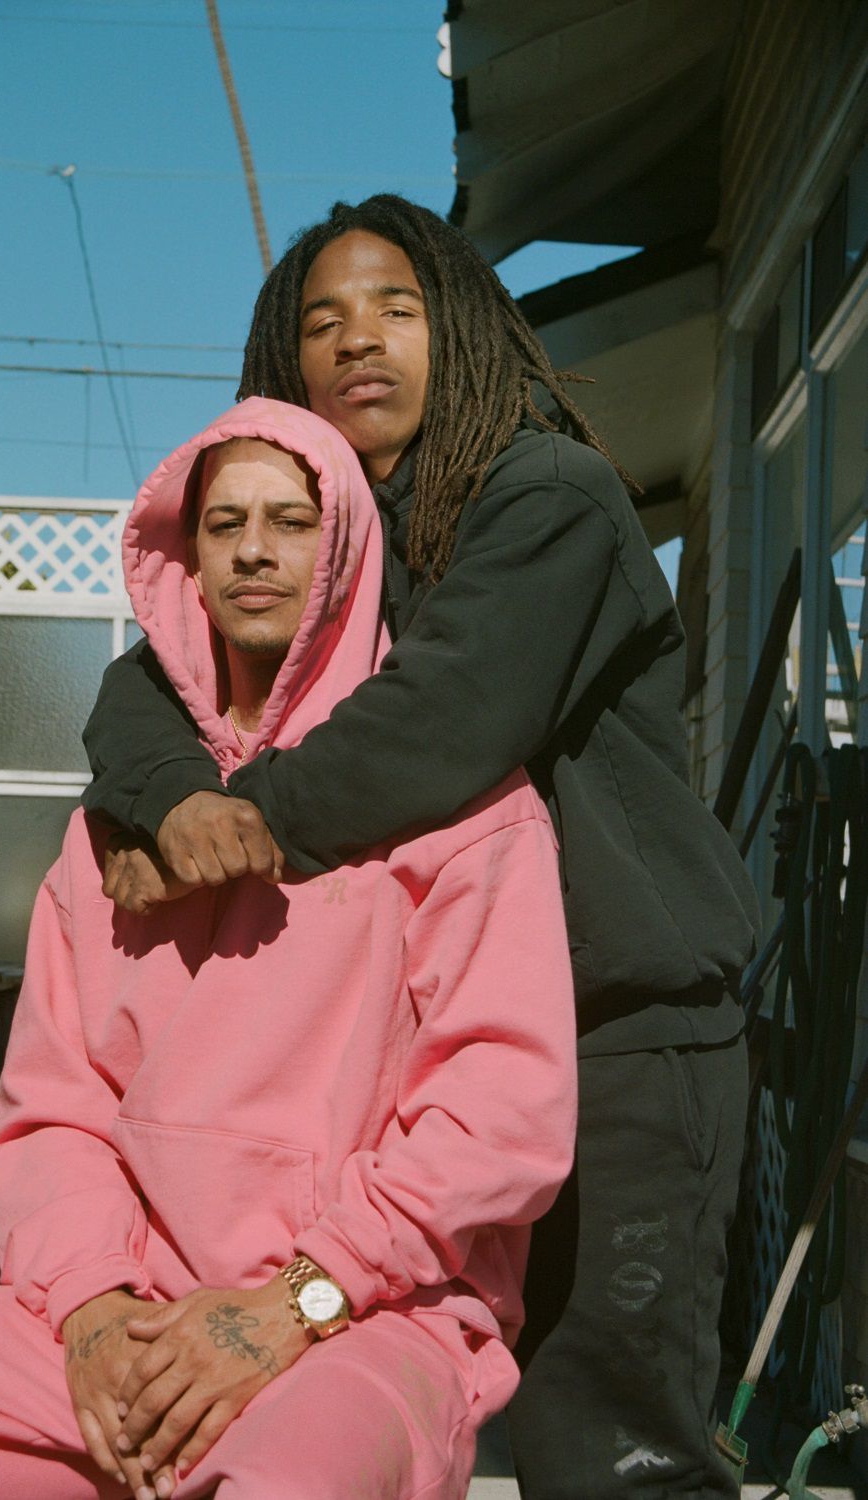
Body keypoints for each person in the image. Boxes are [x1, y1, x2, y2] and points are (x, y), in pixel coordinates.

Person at [83, 194, 761, 1499]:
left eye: (396, 308)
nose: (359, 339)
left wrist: (237, 821)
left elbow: (438, 725)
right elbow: (145, 687)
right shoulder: (333, 547)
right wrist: (165, 805)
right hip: (432, 1077)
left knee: (611, 1451)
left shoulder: (547, 496)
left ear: (458, 329)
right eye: (322, 321)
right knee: (399, 1426)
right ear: (282, 369)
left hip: (619, 1040)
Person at [0, 400, 577, 1500]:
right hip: (130, 1312)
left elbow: (499, 1120)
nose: (254, 549)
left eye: (292, 521)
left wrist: (289, 1306)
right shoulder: (114, 832)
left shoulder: (466, 808)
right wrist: (93, 1306)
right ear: (187, 566)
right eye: (224, 524)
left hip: (366, 1318)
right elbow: (55, 1110)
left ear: (346, 553)